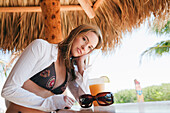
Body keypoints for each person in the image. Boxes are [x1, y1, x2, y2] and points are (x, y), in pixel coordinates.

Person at [1, 24, 103, 113]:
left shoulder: (70, 71)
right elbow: (8, 90)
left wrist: (81, 66)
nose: (84, 47)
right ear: (74, 34)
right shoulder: (41, 48)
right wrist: (51, 103)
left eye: (90, 47)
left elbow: (85, 103)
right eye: (84, 39)